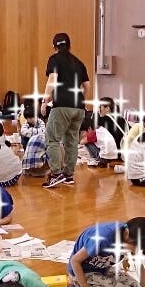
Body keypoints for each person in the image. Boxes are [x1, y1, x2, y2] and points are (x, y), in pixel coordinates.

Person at [41, 32, 89, 188]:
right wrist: (81, 101)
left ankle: (56, 174)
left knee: (52, 139)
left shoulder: (54, 59)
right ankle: (68, 175)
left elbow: (52, 79)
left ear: (54, 46)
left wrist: (45, 100)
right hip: (79, 107)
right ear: (69, 45)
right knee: (71, 141)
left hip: (62, 105)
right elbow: (87, 86)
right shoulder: (79, 62)